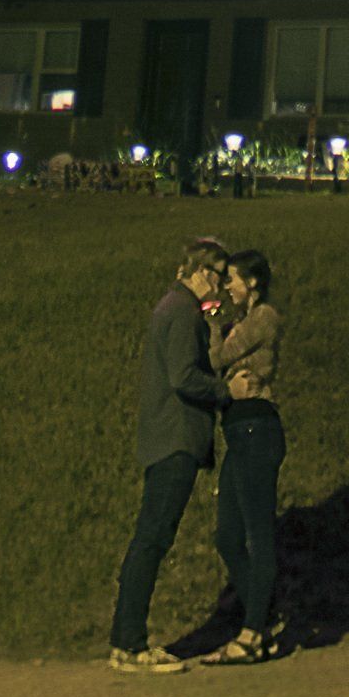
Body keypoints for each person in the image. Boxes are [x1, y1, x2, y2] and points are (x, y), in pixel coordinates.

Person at [109, 240, 232, 674]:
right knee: (152, 539)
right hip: (176, 437)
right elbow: (184, 377)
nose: (221, 284)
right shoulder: (183, 311)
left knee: (149, 538)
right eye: (217, 274)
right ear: (199, 272)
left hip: (163, 437)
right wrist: (224, 390)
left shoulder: (170, 307)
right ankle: (130, 644)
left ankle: (126, 641)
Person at [206, 246, 285, 665]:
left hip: (258, 429)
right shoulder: (242, 322)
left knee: (258, 532)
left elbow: (216, 357)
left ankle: (254, 631)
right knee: (228, 536)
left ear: (252, 282)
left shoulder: (264, 318)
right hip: (238, 433)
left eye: (232, 279)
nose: (226, 287)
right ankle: (265, 616)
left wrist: (211, 322)